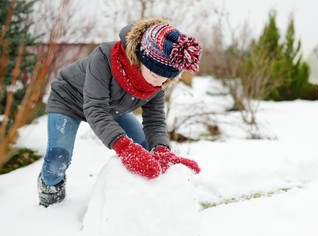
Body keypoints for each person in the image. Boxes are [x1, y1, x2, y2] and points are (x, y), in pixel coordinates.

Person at [37, 17, 202, 207]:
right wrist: (124, 147)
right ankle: (50, 203)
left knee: (146, 147)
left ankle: (141, 200)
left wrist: (161, 148)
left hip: (111, 107)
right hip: (70, 100)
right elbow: (95, 108)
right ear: (141, 59)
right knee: (58, 159)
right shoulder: (105, 57)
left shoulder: (158, 81)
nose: (159, 83)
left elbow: (154, 120)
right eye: (156, 76)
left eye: (166, 80)